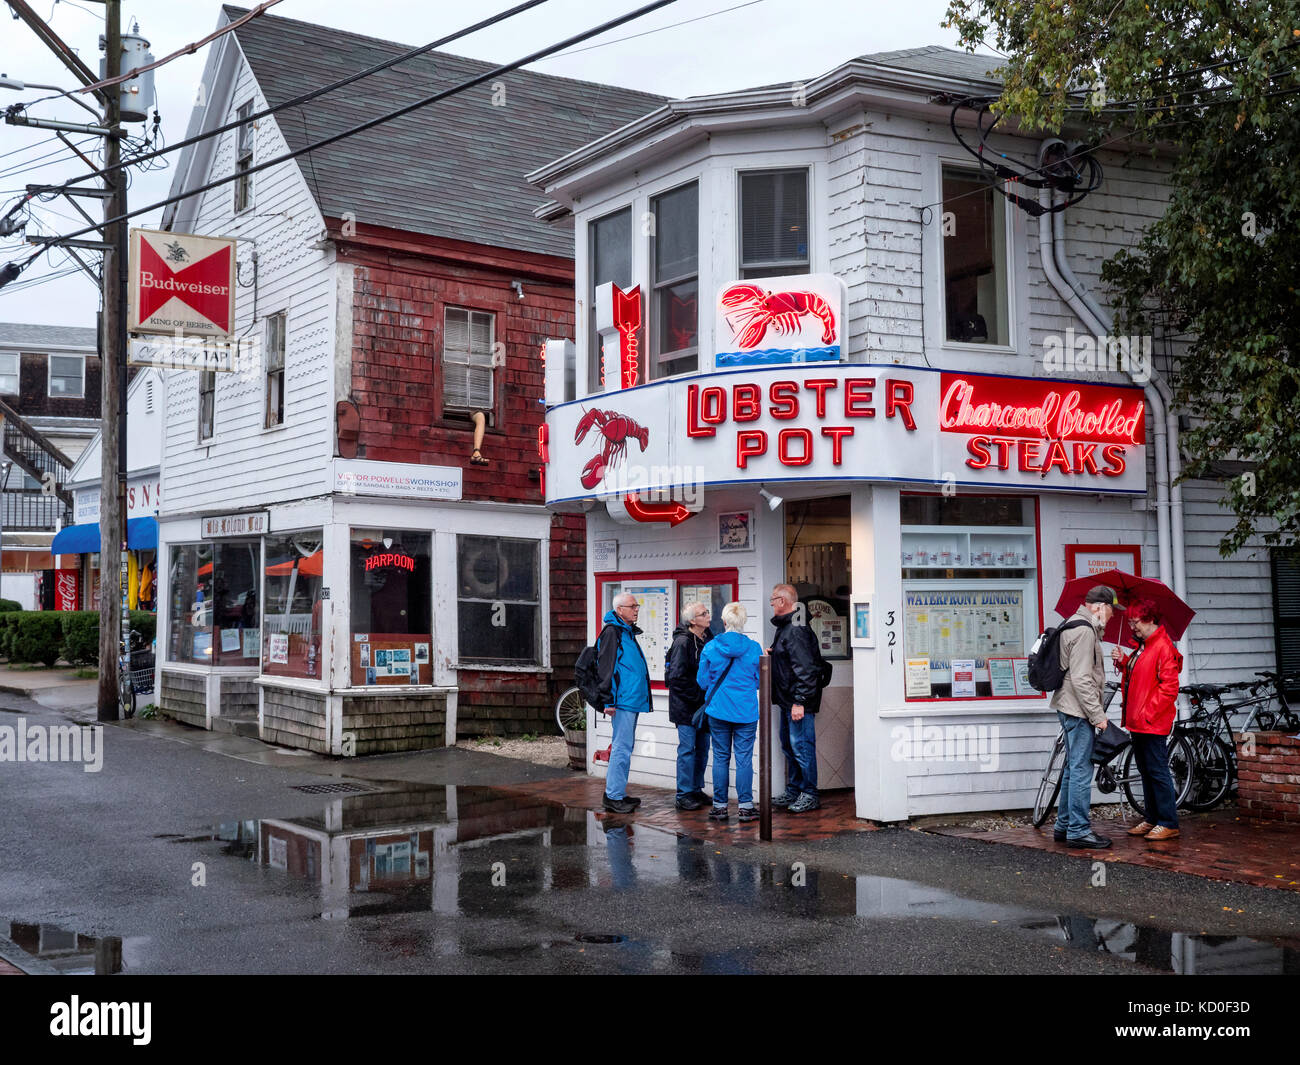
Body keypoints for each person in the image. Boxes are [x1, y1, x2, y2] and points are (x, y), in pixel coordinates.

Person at [1050, 585, 1123, 848]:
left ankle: (1065, 825)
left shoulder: (1077, 625)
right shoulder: (1084, 631)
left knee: (1072, 768)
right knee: (1081, 770)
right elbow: (1081, 679)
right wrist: (1098, 715)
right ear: (1100, 607)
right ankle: (1079, 830)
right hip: (1078, 711)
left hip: (1069, 707)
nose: (1113, 616)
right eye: (1112, 610)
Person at [1112, 598, 1184, 841]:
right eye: (1130, 622)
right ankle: (1153, 818)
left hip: (1151, 722)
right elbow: (1140, 676)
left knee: (1157, 770)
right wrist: (1123, 662)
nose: (1132, 627)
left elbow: (1169, 688)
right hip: (1140, 721)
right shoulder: (1143, 646)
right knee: (1146, 770)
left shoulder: (1162, 646)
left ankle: (1168, 821)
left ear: (1150, 619)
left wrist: (1148, 713)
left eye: (1136, 622)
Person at [696, 602, 762, 823]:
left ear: (724, 622)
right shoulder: (754, 648)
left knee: (721, 757)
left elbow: (703, 681)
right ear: (743, 622)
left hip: (719, 710)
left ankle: (720, 807)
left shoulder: (711, 647)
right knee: (744, 758)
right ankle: (745, 807)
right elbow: (759, 681)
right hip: (746, 711)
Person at [768, 583, 823, 813]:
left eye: (773, 600)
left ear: (782, 601)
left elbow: (806, 668)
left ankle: (809, 793)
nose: (771, 604)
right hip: (787, 700)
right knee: (790, 747)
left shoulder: (796, 629)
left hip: (797, 701)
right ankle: (795, 789)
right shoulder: (787, 627)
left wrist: (800, 701)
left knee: (801, 747)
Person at [596, 591, 651, 814]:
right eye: (632, 606)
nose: (637, 609)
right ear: (620, 610)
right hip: (622, 701)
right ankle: (613, 796)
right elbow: (606, 667)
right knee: (621, 747)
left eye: (637, 606)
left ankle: (617, 792)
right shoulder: (613, 632)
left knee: (625, 747)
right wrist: (608, 699)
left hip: (630, 699)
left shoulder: (626, 632)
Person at [666, 601, 714, 810]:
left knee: (703, 748)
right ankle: (683, 793)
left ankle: (695, 788)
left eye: (707, 611)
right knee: (687, 749)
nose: (708, 615)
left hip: (704, 705)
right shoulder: (683, 643)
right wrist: (697, 696)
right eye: (703, 613)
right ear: (692, 620)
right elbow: (676, 678)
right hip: (685, 706)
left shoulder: (708, 638)